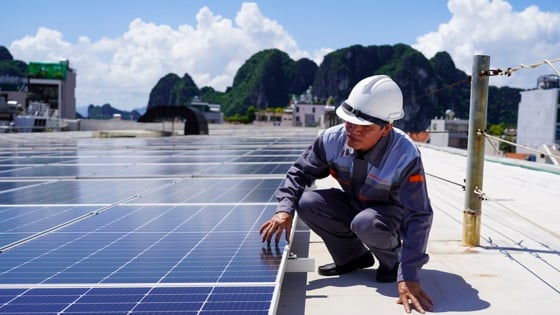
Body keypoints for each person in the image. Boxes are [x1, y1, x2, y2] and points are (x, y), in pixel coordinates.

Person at [259, 75, 435, 313]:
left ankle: (392, 263)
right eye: (349, 122)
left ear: (386, 129)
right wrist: (283, 209)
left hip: (389, 214)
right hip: (355, 202)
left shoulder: (405, 155)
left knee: (367, 222)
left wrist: (409, 274)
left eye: (365, 127)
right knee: (307, 201)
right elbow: (299, 172)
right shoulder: (331, 140)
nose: (353, 131)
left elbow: (419, 215)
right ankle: (353, 258)